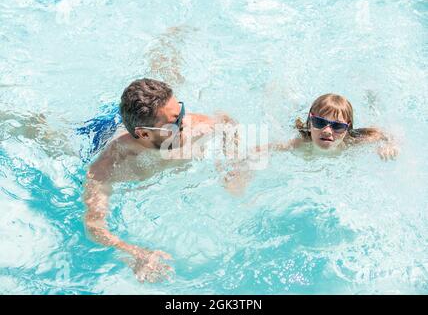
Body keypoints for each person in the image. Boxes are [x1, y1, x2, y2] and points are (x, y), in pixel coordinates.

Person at [83, 78, 244, 284]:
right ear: (144, 134)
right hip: (100, 133)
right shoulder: (108, 167)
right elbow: (94, 227)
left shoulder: (193, 126)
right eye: (175, 122)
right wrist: (134, 253)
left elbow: (228, 123)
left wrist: (231, 163)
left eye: (181, 113)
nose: (185, 122)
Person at [260, 93, 399, 160]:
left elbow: (388, 134)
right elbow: (266, 148)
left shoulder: (351, 141)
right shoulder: (302, 142)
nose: (327, 131)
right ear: (310, 122)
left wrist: (390, 144)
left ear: (347, 128)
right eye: (319, 122)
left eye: (337, 126)